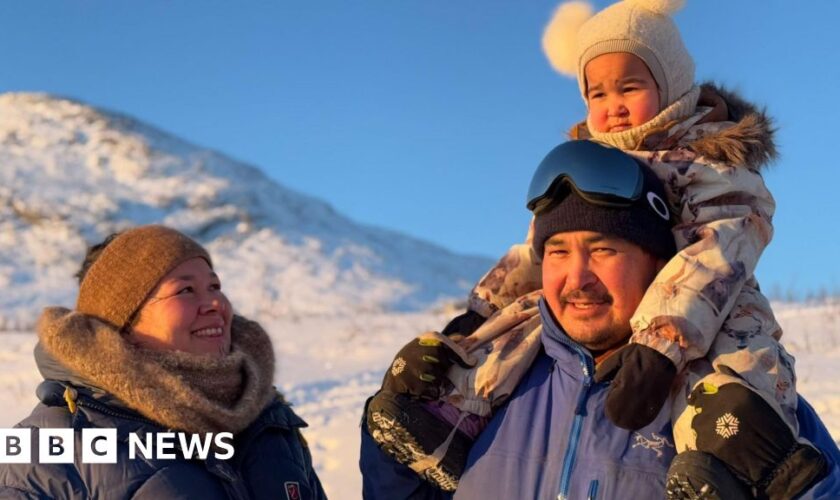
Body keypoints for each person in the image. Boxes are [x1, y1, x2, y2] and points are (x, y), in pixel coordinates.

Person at [366, 0, 818, 496]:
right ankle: (452, 419)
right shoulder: (584, 165)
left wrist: (660, 347)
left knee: (731, 373)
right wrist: (478, 319)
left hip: (708, 302)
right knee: (518, 330)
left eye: (630, 87)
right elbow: (533, 254)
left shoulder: (711, 162)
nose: (614, 106)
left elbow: (714, 256)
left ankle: (722, 465)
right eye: (596, 93)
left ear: (671, 86)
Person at [360, 141, 840, 499]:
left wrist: (791, 482)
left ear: (658, 264)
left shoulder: (732, 396)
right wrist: (393, 429)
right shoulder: (481, 390)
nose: (577, 278)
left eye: (604, 250)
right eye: (558, 252)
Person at [0, 225, 326, 499]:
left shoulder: (268, 423)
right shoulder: (41, 452)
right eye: (186, 290)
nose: (215, 302)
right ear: (124, 320)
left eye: (215, 286)